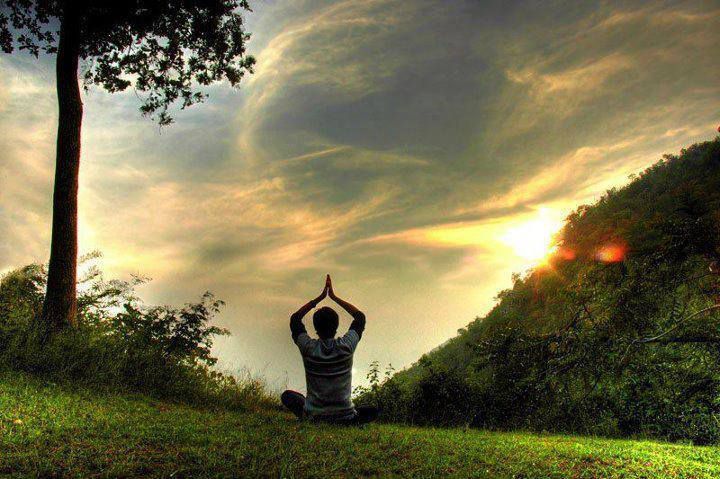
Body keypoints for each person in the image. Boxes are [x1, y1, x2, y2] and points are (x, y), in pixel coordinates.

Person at [281, 274, 378, 425]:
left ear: (315, 328)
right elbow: (360, 317)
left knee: (288, 396)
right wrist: (334, 297)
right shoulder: (346, 345)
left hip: (314, 417)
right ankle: (351, 418)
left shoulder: (308, 347)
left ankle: (313, 416)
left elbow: (295, 319)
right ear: (336, 326)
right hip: (345, 418)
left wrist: (319, 299)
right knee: (372, 409)